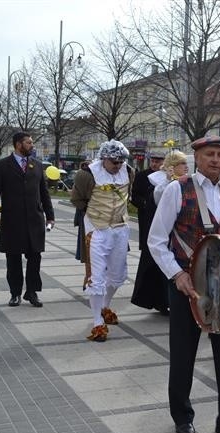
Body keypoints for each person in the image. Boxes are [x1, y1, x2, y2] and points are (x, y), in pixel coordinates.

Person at [148, 135, 220, 433]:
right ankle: (182, 416)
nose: (216, 160)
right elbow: (156, 240)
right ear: (198, 157)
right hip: (186, 285)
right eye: (210, 154)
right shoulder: (177, 189)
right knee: (184, 353)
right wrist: (177, 275)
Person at [70, 140, 134, 342]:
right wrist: (94, 214)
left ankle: (105, 306)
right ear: (104, 159)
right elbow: (77, 200)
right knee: (96, 277)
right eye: (114, 162)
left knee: (117, 274)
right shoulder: (87, 174)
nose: (118, 165)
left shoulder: (128, 171)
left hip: (120, 228)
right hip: (97, 230)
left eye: (120, 162)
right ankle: (97, 321)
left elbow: (128, 195)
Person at [0, 132, 55, 307]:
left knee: (35, 257)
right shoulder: (2, 165)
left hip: (35, 219)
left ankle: (31, 292)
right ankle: (15, 293)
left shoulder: (38, 165)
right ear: (18, 144)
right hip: (12, 220)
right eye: (29, 142)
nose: (32, 145)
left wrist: (50, 216)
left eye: (32, 142)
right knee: (13, 258)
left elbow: (44, 193)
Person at [130, 153, 169, 315]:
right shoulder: (142, 176)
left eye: (158, 161)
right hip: (148, 219)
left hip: (164, 222)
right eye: (153, 161)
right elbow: (134, 196)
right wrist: (145, 203)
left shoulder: (168, 178)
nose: (155, 163)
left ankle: (162, 300)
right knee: (149, 257)